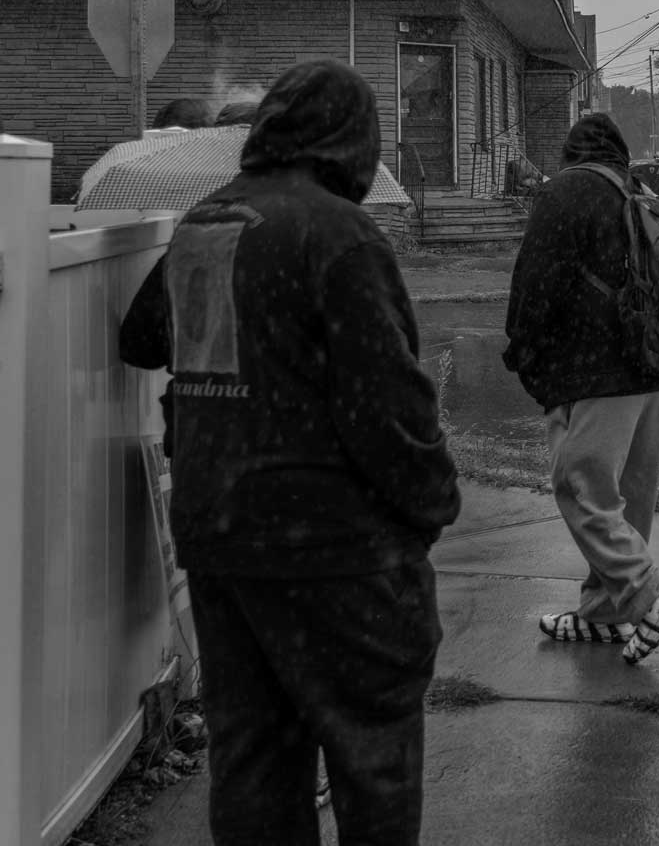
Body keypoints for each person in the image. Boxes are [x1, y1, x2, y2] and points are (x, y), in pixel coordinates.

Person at [119, 59, 459, 846]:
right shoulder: (338, 234)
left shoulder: (207, 224)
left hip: (221, 544)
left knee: (254, 758)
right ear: (351, 142)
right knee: (372, 754)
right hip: (333, 550)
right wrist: (432, 505)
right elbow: (390, 408)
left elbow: (139, 339)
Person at [504, 112, 659, 666]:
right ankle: (606, 614)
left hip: (597, 369)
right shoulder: (638, 193)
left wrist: (522, 351)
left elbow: (535, 280)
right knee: (627, 496)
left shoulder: (567, 192)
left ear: (571, 154)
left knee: (579, 483)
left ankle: (648, 594)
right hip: (654, 368)